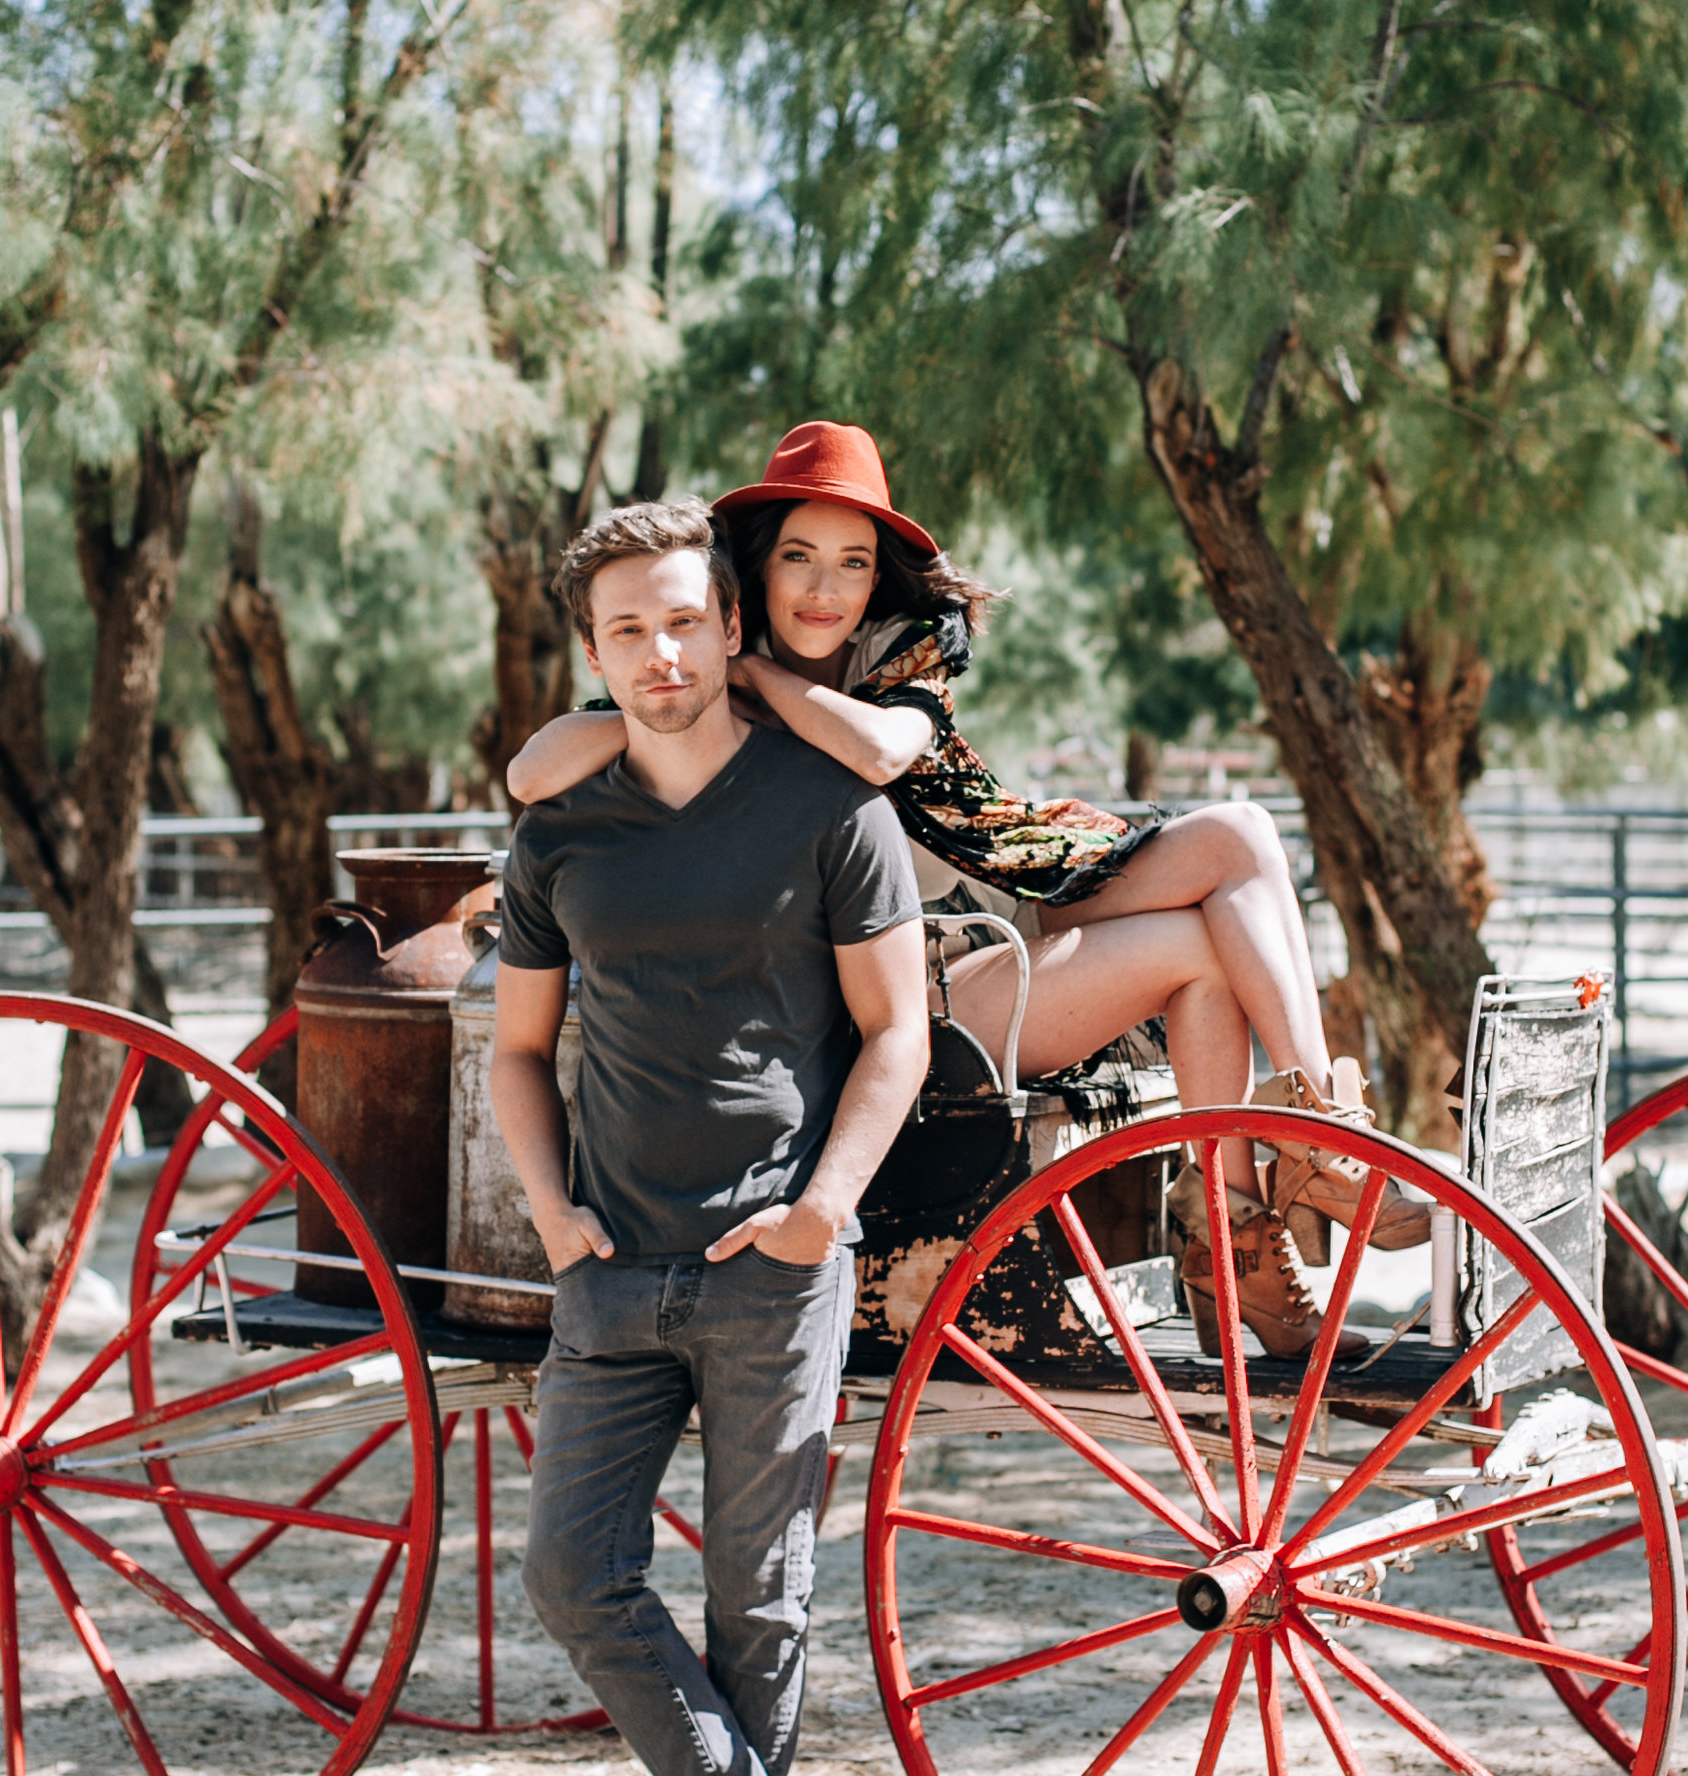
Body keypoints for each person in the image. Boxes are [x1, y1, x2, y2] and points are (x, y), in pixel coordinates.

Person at [509, 425, 1427, 1358]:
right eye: (798, 558)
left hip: (1016, 883)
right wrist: (719, 675)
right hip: (931, 976)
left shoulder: (899, 648)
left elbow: (883, 749)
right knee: (1203, 954)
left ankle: (1320, 1143)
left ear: (877, 578)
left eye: (853, 564)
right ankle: (1236, 1249)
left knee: (1244, 835)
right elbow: (530, 772)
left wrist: (760, 676)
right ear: (753, 570)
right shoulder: (694, 677)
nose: (826, 589)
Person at [493, 496, 928, 1776]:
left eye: (686, 619)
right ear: (593, 650)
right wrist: (551, 1214)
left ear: (732, 628)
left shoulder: (830, 810)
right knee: (569, 1569)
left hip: (771, 1269)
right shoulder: (563, 830)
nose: (662, 651)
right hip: (610, 1268)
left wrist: (822, 1210)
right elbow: (518, 1053)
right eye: (628, 628)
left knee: (763, 1598)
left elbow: (899, 1034)